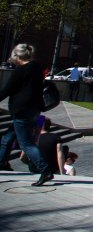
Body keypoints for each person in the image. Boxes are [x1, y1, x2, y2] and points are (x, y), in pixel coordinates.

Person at [0, 44, 53, 186]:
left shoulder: (20, 71)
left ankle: (45, 170)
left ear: (17, 56)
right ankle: (2, 163)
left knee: (26, 144)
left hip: (21, 110)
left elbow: (7, 90)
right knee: (7, 138)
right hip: (34, 110)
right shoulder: (36, 68)